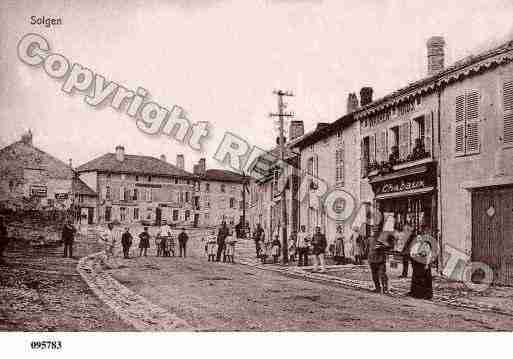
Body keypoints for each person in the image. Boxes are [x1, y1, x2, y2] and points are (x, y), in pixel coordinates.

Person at [368, 219, 395, 294]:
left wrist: (382, 247)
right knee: (374, 276)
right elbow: (368, 248)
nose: (375, 230)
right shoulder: (370, 238)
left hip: (380, 260)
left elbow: (390, 246)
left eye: (376, 228)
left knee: (382, 275)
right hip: (372, 259)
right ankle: (377, 288)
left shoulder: (383, 238)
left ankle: (385, 288)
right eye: (373, 228)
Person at [408, 226, 434, 299]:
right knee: (416, 278)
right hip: (417, 262)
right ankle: (415, 293)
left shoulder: (427, 244)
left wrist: (427, 264)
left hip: (424, 262)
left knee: (425, 279)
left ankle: (426, 295)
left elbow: (429, 254)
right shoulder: (417, 243)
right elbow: (413, 251)